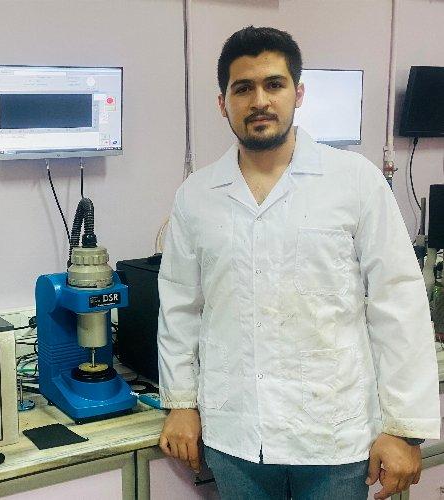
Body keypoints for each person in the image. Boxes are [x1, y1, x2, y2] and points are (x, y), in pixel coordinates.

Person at [156, 26, 440, 500]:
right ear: (223, 103)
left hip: (333, 439)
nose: (259, 101)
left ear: (298, 93)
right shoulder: (197, 196)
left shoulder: (355, 181)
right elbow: (181, 307)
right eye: (243, 88)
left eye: (274, 84)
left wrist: (404, 430)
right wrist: (181, 403)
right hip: (236, 437)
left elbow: (399, 304)